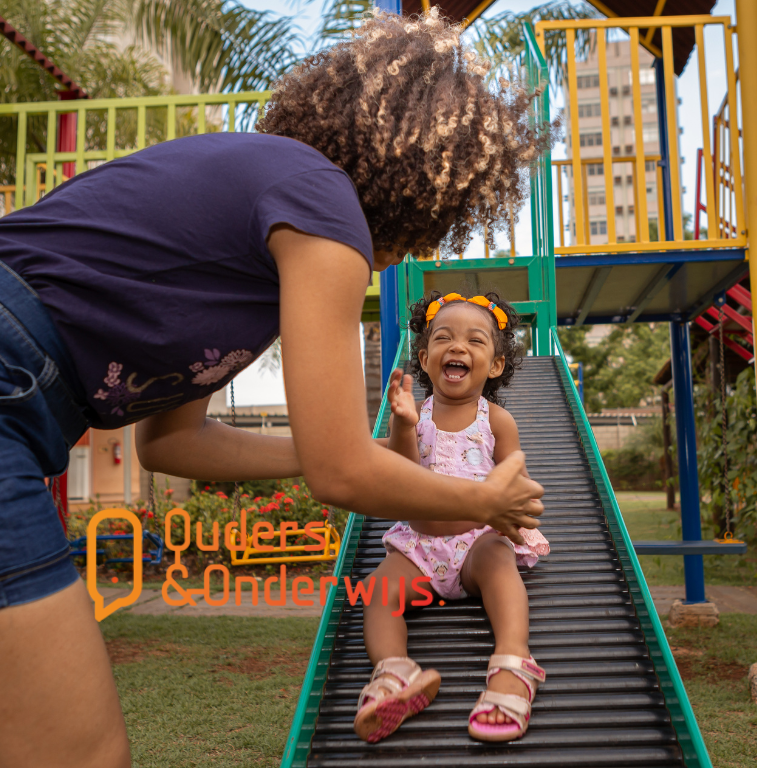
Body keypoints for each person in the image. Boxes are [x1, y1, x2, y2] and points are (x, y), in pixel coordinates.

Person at [0, 10, 545, 768]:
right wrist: (483, 503)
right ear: (421, 184)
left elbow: (175, 443)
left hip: (25, 404)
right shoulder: (323, 204)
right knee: (79, 753)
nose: (417, 247)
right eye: (433, 224)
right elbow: (342, 476)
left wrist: (339, 448)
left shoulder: (253, 239)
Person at [354, 291, 549, 744]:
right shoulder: (414, 415)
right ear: (425, 358)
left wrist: (514, 519)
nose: (458, 347)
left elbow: (513, 479)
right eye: (444, 338)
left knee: (501, 566)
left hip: (476, 540)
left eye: (475, 341)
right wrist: (402, 425)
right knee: (379, 590)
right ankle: (395, 671)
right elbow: (402, 476)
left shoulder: (496, 421)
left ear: (495, 365)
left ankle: (514, 664)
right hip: (420, 547)